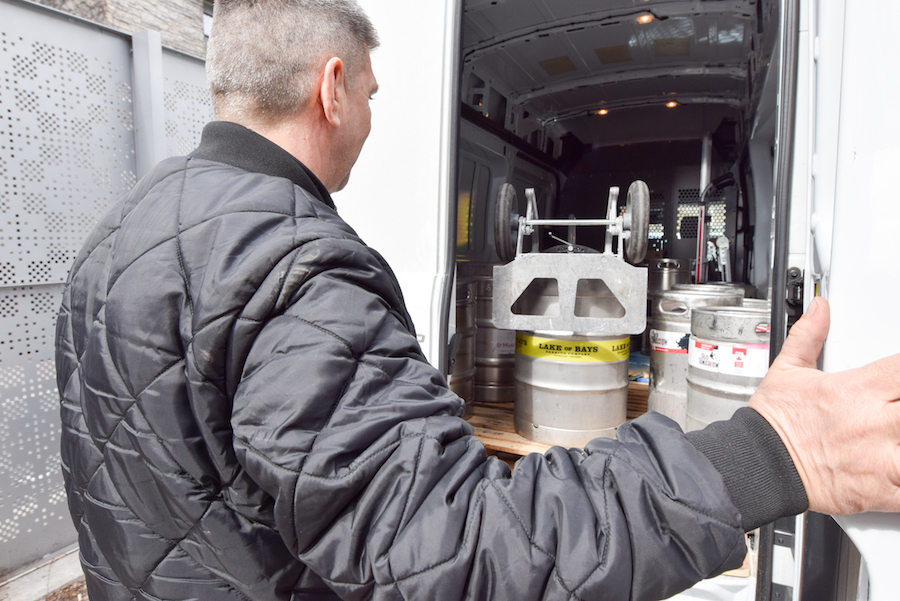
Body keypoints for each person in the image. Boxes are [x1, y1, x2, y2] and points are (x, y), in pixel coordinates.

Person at [55, 1, 900, 600]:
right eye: (374, 97)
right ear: (332, 88)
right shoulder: (295, 267)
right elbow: (452, 551)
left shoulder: (115, 235)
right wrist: (773, 453)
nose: (372, 119)